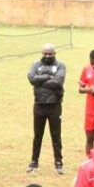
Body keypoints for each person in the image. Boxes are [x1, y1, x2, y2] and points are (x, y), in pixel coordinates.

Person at [27, 44, 66, 175]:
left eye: (50, 54)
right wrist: (48, 77)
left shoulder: (60, 65)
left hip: (54, 105)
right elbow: (32, 78)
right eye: (45, 54)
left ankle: (58, 163)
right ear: (42, 53)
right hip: (39, 105)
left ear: (55, 53)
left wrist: (40, 81)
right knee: (37, 135)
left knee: (56, 136)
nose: (48, 56)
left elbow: (58, 82)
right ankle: (34, 161)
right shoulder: (35, 65)